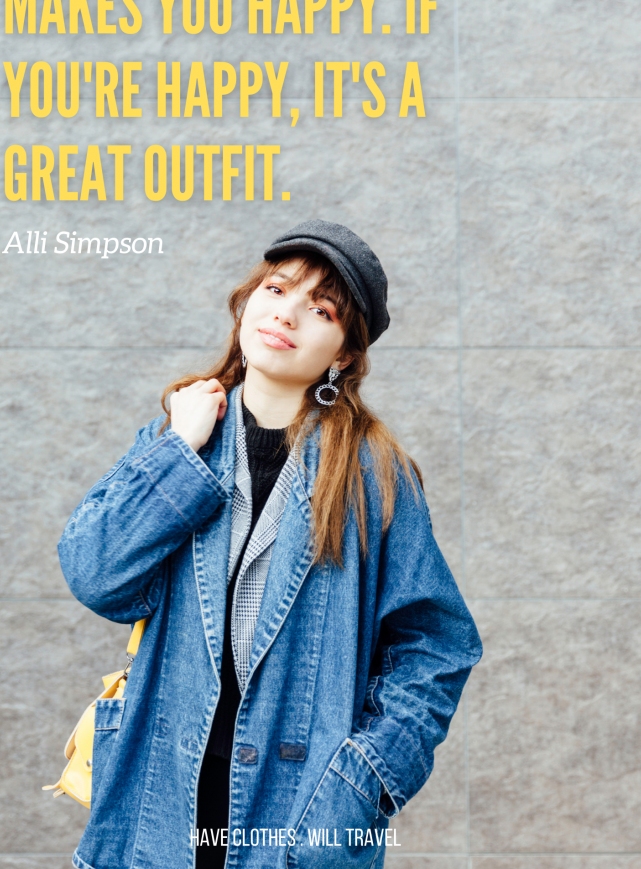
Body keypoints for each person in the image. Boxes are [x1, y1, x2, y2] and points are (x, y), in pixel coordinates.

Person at [57, 220, 482, 869]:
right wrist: (177, 453)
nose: (289, 313)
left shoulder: (372, 472)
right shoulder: (181, 436)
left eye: (322, 309)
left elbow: (437, 643)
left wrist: (360, 781)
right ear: (249, 300)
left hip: (300, 816)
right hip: (155, 805)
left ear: (343, 353)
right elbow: (97, 576)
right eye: (278, 288)